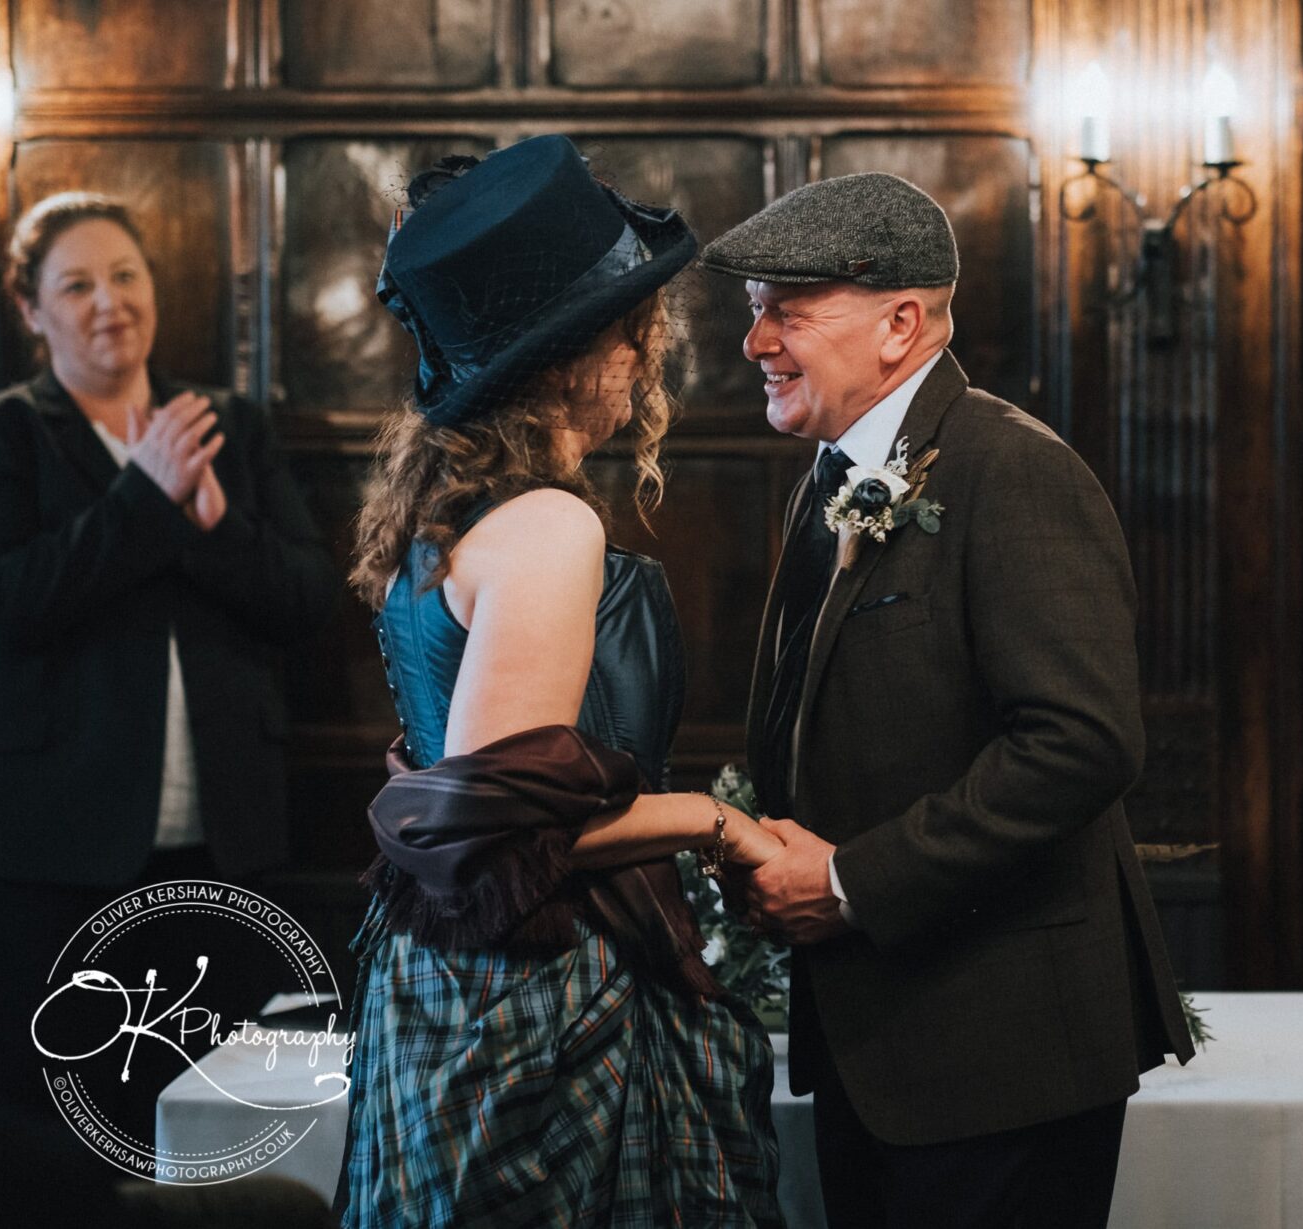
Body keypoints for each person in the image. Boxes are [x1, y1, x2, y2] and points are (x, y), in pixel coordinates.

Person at [700, 173, 1197, 1228]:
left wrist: (844, 878)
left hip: (997, 1051)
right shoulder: (827, 477)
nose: (757, 343)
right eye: (756, 312)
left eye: (787, 311)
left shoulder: (1009, 470)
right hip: (882, 1044)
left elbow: (1082, 741)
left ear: (901, 324)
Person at [337, 136, 782, 1227]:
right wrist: (715, 827)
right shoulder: (545, 524)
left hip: (448, 972)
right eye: (638, 327)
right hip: (533, 989)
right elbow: (503, 839)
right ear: (580, 349)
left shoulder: (449, 508)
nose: (650, 352)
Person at [0, 192, 341, 1152]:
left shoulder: (228, 423)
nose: (108, 301)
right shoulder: (12, 434)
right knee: (71, 1135)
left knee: (217, 1131)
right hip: (60, 852)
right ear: (33, 311)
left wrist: (217, 529)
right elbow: (13, 600)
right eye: (76, 284)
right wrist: (143, 500)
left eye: (125, 275)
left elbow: (308, 599)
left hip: (227, 843)